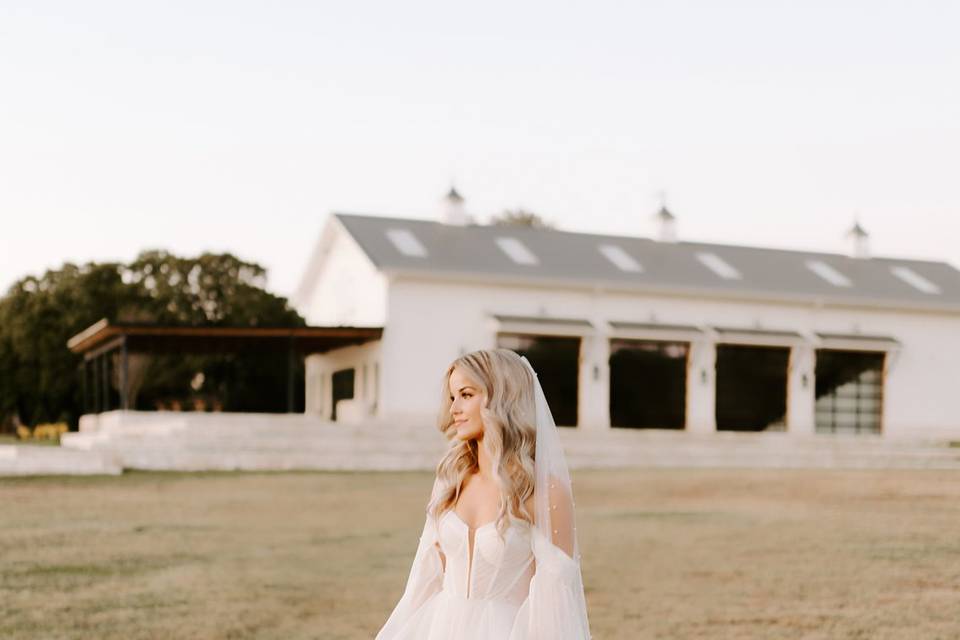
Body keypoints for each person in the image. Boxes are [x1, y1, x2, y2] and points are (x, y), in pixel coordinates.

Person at [375, 348, 592, 639]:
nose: (453, 410)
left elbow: (554, 601)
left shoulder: (542, 491)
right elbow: (425, 578)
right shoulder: (450, 480)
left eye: (466, 395)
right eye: (453, 397)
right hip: (440, 628)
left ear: (502, 398)